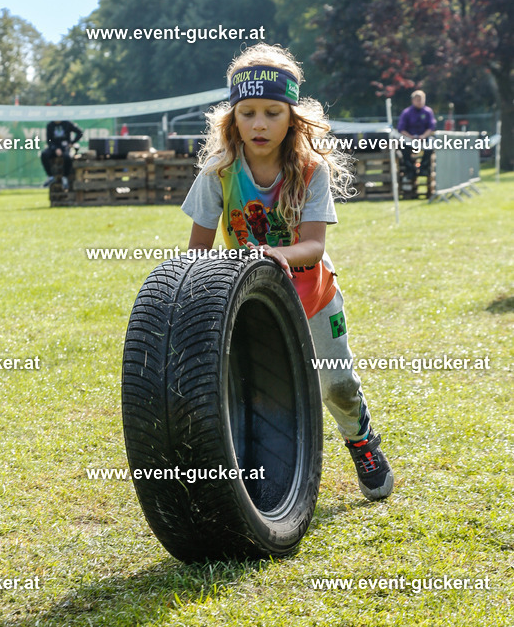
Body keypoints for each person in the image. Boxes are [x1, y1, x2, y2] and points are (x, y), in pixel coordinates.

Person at [181, 43, 394, 501]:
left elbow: (314, 246)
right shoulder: (217, 173)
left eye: (273, 112)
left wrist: (275, 254)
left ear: (292, 118)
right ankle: (269, 478)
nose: (259, 124)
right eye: (248, 112)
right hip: (252, 301)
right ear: (232, 118)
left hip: (312, 294)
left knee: (336, 384)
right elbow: (197, 255)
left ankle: (361, 441)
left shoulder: (310, 170)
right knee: (264, 396)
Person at [397, 90, 437, 178]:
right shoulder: (406, 112)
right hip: (409, 138)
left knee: (431, 143)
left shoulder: (428, 112)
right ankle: (410, 170)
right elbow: (401, 129)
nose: (420, 102)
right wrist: (410, 136)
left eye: (422, 99)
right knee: (403, 146)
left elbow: (431, 127)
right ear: (413, 100)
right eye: (418, 100)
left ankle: (424, 168)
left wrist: (423, 136)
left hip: (424, 138)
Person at [41, 119, 84, 188]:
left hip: (65, 148)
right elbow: (49, 140)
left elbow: (80, 133)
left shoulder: (67, 123)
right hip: (53, 148)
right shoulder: (50, 125)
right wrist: (55, 149)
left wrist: (72, 143)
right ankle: (50, 176)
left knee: (68, 157)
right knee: (44, 154)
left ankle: (65, 177)